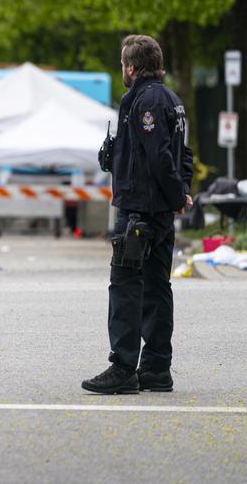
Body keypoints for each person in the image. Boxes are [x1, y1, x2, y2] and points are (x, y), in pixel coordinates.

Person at [83, 34, 193, 394]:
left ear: (131, 66)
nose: (122, 72)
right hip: (158, 212)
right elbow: (181, 153)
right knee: (158, 288)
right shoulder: (170, 99)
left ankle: (124, 367)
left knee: (127, 287)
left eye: (122, 66)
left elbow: (160, 155)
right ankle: (157, 370)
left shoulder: (143, 101)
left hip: (139, 212)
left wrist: (177, 194)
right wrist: (182, 193)